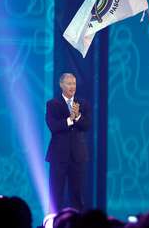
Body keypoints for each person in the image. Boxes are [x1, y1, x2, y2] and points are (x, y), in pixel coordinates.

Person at [45, 73, 91, 213]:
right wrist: (70, 119)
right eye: (69, 83)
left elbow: (87, 125)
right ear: (61, 85)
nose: (72, 87)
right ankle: (53, 223)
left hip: (78, 156)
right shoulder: (53, 104)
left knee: (77, 196)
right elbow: (54, 126)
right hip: (59, 156)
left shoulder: (82, 103)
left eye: (74, 84)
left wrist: (77, 116)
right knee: (56, 194)